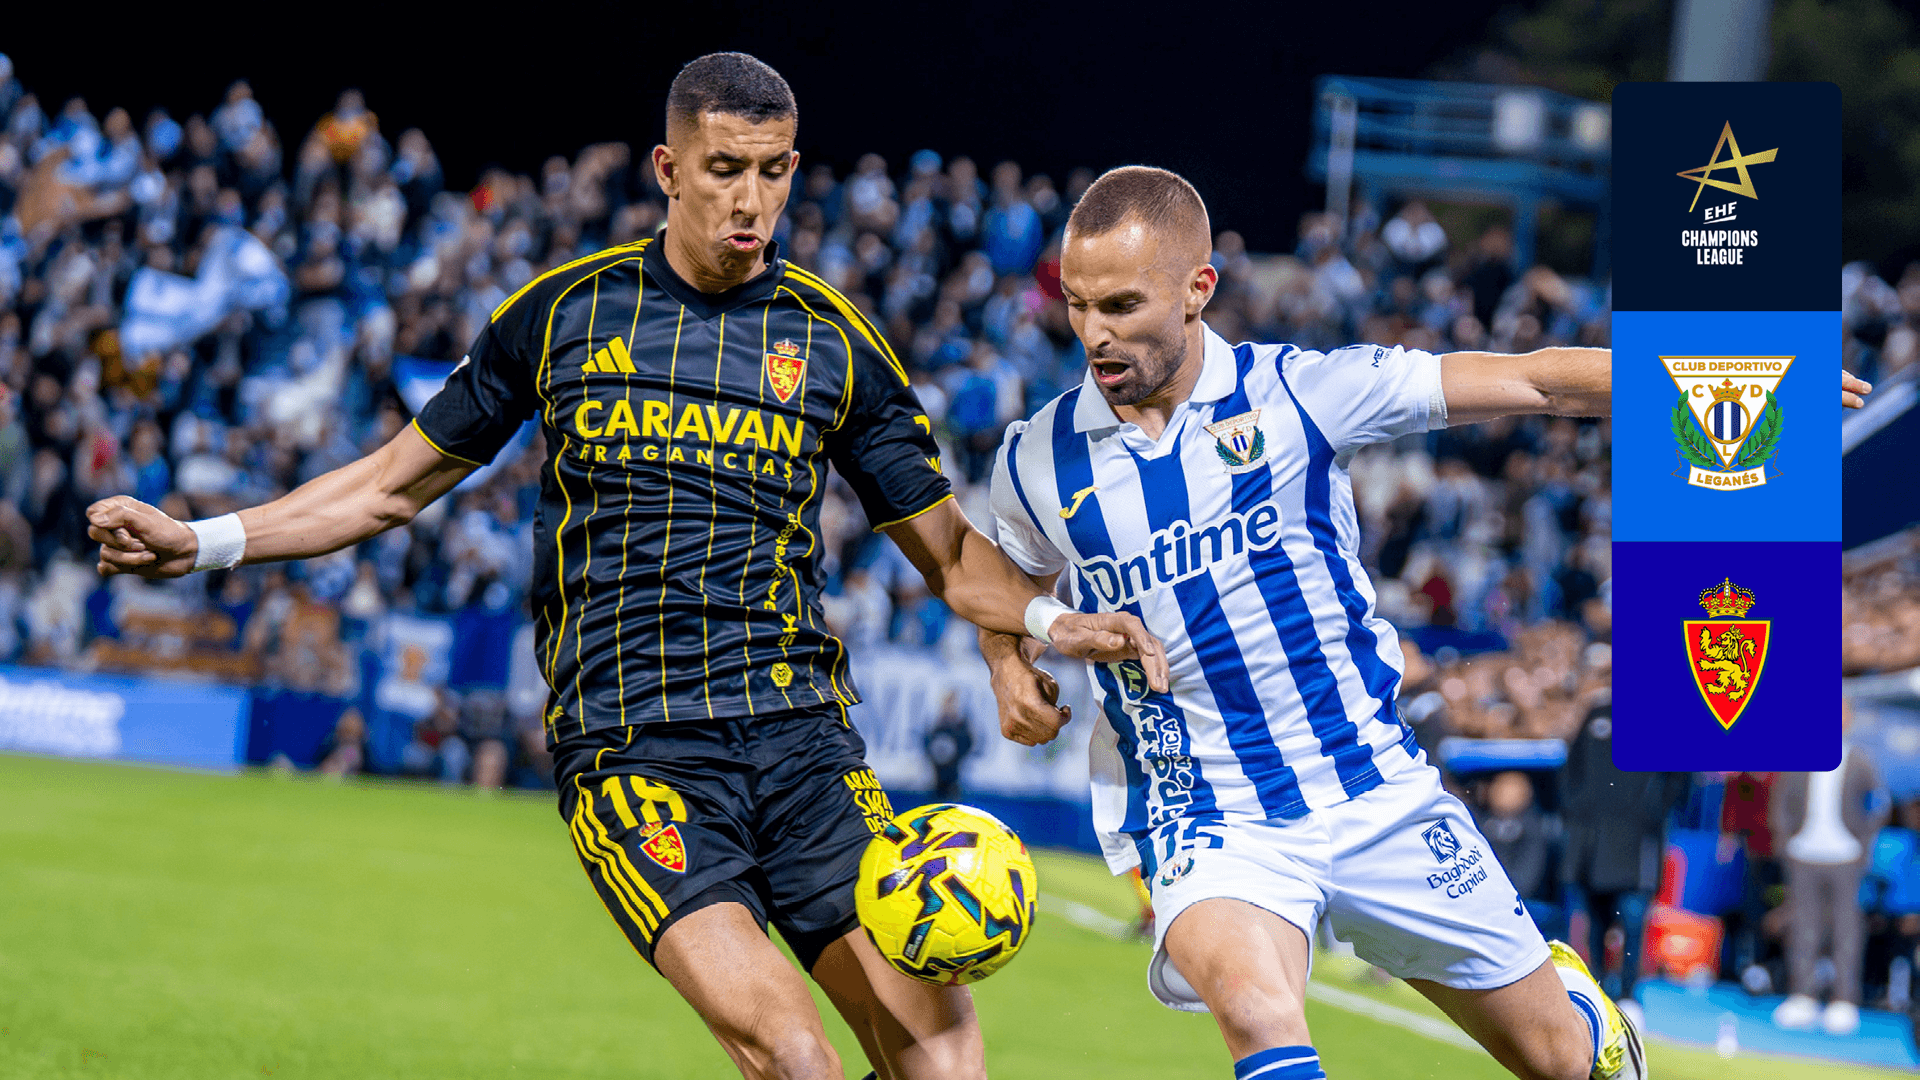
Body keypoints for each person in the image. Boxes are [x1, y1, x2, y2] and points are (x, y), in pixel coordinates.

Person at [85, 53, 1167, 1080]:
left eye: (774, 172)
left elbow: (950, 554)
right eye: (724, 169)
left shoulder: (835, 343)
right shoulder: (564, 313)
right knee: (795, 1056)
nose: (750, 199)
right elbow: (386, 487)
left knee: (945, 1060)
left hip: (804, 745)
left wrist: (1045, 626)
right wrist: (204, 540)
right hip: (637, 752)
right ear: (669, 169)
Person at [979, 166, 1640, 1080]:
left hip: (1373, 786)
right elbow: (1004, 580)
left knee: (1561, 1061)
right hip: (1205, 809)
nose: (1095, 333)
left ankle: (1579, 1012)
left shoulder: (1303, 394)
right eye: (1079, 305)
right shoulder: (1036, 459)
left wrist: (1711, 382)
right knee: (1259, 1013)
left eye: (1123, 305)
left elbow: (1531, 383)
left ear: (1198, 289)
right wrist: (1009, 658)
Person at [1769, 696, 1888, 1036]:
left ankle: (1844, 1001)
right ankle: (1802, 996)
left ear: (1850, 720)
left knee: (1846, 929)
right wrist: (1786, 842)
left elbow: (1879, 803)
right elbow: (1781, 802)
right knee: (1803, 927)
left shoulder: (1860, 760)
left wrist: (1863, 844)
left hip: (1845, 855)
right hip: (1803, 853)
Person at [1561, 703, 1689, 1014]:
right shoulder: (1597, 714)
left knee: (1632, 920)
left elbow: (1680, 776)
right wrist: (1579, 810)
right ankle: (1598, 988)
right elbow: (1570, 769)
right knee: (1596, 921)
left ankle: (1630, 993)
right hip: (1593, 841)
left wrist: (1651, 813)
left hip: (1635, 843)